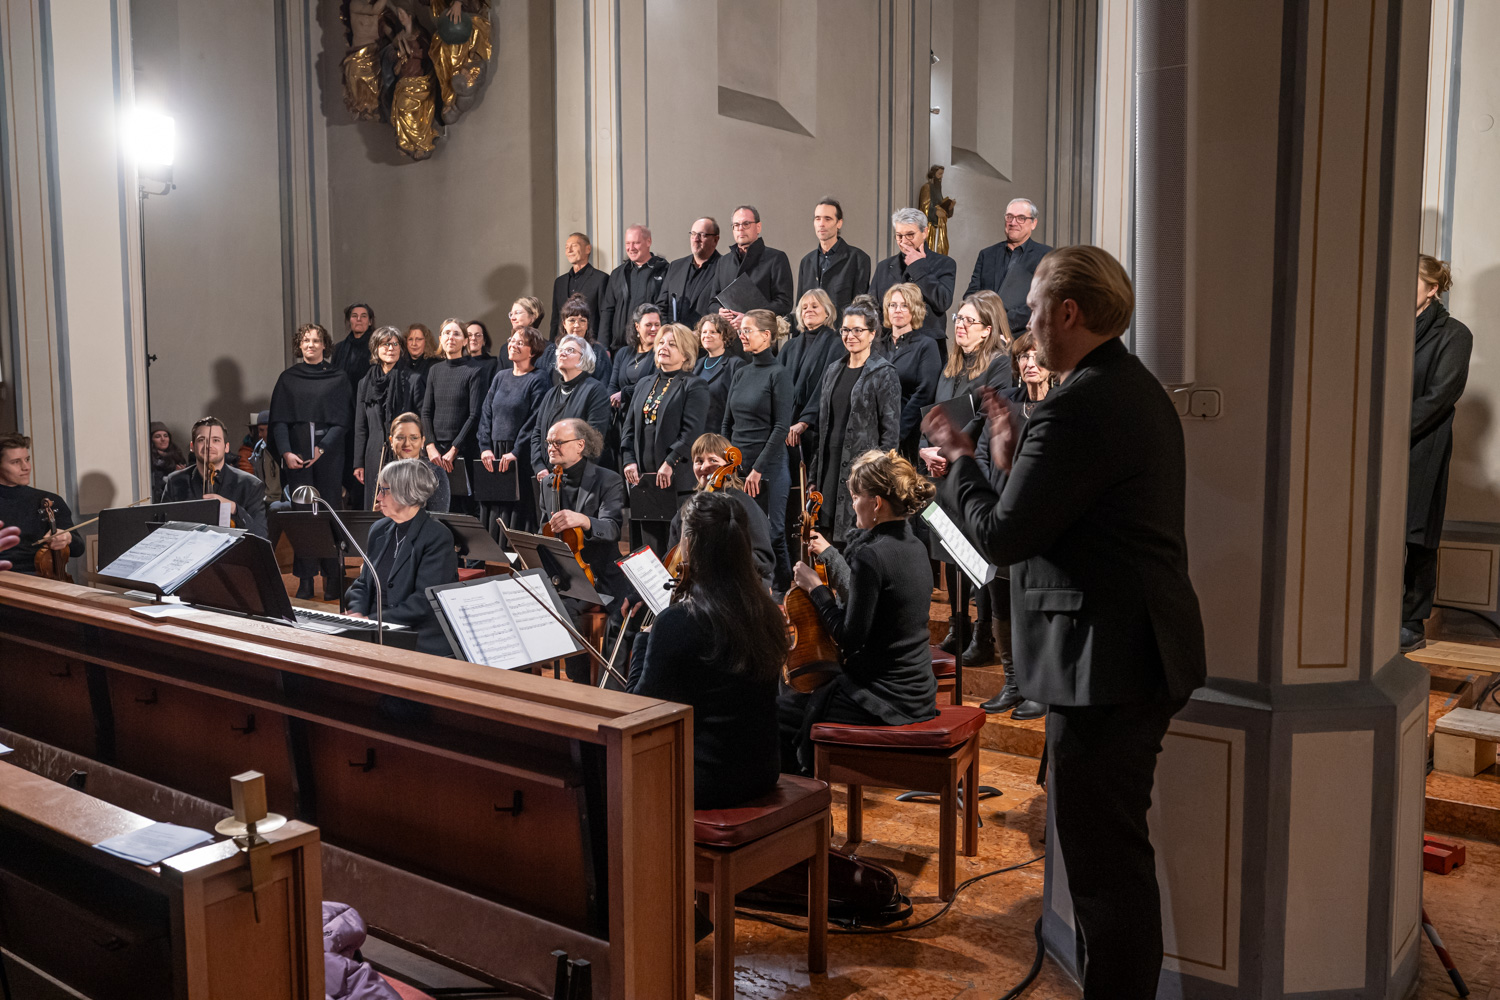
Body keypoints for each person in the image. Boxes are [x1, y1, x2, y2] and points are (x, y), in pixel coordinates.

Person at [923, 245, 1205, 999]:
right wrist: (1013, 454)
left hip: (1109, 662)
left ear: (1069, 313)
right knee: (1107, 859)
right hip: (1128, 651)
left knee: (1107, 870)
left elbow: (1004, 539)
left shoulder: (1080, 406)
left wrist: (958, 460)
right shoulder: (1123, 387)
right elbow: (1064, 515)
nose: (1028, 325)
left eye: (1037, 308)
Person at [779, 449, 939, 774]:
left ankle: (803, 808)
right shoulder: (915, 546)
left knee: (783, 712)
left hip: (887, 699)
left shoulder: (872, 556)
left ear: (876, 503)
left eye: (855, 497)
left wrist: (816, 587)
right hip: (920, 692)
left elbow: (850, 639)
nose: (852, 505)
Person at [623, 489, 784, 809]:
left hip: (708, 782)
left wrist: (644, 638)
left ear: (689, 545)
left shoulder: (680, 620)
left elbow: (639, 712)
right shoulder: (765, 610)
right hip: (763, 771)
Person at [919, 290, 1013, 665]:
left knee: (976, 555)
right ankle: (958, 627)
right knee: (951, 551)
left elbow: (985, 417)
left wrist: (949, 450)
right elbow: (936, 414)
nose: (960, 325)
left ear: (988, 329)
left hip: (973, 468)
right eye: (958, 319)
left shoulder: (999, 364)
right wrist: (927, 449)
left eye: (969, 321)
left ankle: (982, 633)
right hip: (942, 468)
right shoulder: (950, 366)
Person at [969, 332, 1052, 720]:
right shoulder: (1009, 405)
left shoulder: (1059, 406)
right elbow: (983, 452)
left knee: (1033, 608)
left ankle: (1039, 687)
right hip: (1001, 517)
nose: (1029, 363)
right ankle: (1014, 682)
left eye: (1036, 356)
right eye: (1023, 357)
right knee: (1001, 604)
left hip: (1038, 522)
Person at [1404, 254, 1473, 653]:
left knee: (1417, 533)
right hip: (1375, 447)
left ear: (1432, 289)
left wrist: (1387, 431)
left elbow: (1439, 398)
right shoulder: (1384, 329)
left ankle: (1411, 620)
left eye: (1409, 279)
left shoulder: (1454, 335)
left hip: (1421, 444)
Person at [537, 418, 627, 681]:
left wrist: (584, 521)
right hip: (567, 574)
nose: (551, 448)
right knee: (559, 605)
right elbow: (544, 530)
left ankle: (613, 688)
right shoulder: (546, 483)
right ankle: (580, 683)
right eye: (549, 443)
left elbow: (611, 529)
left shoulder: (607, 480)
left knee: (626, 614)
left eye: (558, 442)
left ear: (580, 445)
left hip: (602, 572)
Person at [805, 297, 900, 546]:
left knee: (855, 541)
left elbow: (890, 435)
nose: (850, 335)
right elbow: (821, 426)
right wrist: (814, 475)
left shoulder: (884, 372)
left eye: (858, 330)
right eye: (846, 330)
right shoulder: (833, 370)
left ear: (872, 334)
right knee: (825, 543)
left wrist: (878, 479)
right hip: (829, 468)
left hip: (861, 472)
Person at [270, 322, 354, 598]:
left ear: (324, 345)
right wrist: (285, 453)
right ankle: (305, 580)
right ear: (299, 345)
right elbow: (279, 421)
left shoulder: (338, 377)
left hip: (328, 456)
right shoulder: (288, 378)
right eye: (306, 340)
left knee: (330, 515)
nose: (311, 344)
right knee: (303, 518)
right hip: (296, 455)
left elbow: (343, 421)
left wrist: (324, 447)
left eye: (316, 340)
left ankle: (333, 579)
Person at [344, 458, 459, 656]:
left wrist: (373, 621)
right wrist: (356, 615)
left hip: (416, 636)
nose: (378, 497)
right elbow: (362, 584)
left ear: (405, 492)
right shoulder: (378, 530)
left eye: (384, 490)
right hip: (376, 628)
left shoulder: (437, 536)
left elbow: (424, 602)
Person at [722, 308, 794, 592]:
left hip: (770, 467)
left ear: (766, 335)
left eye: (748, 330)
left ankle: (784, 592)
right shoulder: (741, 371)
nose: (742, 335)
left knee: (774, 534)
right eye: (742, 330)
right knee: (742, 533)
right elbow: (728, 422)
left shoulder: (779, 374)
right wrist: (728, 463)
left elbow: (780, 427)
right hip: (738, 468)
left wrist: (757, 469)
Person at [621, 324, 708, 553]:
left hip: (676, 482)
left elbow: (692, 432)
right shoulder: (644, 383)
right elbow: (628, 428)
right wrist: (628, 460)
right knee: (647, 549)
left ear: (686, 353)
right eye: (661, 343)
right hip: (644, 481)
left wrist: (670, 462)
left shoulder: (694, 385)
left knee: (674, 551)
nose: (663, 347)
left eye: (672, 344)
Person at [667, 433, 776, 591]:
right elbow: (672, 554)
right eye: (699, 461)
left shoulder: (742, 503)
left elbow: (763, 561)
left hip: (736, 588)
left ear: (728, 464)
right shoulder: (689, 506)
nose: (704, 467)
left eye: (713, 460)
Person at [478, 327, 549, 534]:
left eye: (520, 342)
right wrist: (484, 447)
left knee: (518, 513)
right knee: (494, 510)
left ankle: (517, 562)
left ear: (533, 351)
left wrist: (516, 452)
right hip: (494, 454)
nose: (512, 345)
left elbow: (535, 419)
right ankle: (494, 562)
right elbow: (486, 413)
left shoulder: (538, 378)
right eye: (512, 340)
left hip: (519, 455)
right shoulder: (501, 376)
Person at [353, 327, 426, 509]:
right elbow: (361, 425)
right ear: (376, 348)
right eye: (385, 344)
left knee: (402, 504)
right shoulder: (365, 382)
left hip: (403, 453)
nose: (391, 348)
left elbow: (422, 420)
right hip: (374, 456)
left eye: (395, 344)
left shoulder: (413, 379)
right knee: (375, 506)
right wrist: (358, 463)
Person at [419, 318, 488, 512]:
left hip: (460, 450)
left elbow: (474, 414)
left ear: (465, 341)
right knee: (435, 504)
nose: (451, 337)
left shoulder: (474, 370)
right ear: (440, 338)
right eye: (447, 333)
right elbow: (426, 411)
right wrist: (430, 445)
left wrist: (454, 449)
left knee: (460, 507)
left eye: (456, 333)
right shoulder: (434, 370)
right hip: (435, 452)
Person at [161, 417, 268, 537]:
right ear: (192, 446)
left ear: (226, 447)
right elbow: (163, 531)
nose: (208, 446)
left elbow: (261, 535)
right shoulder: (175, 482)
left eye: (216, 440)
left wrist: (235, 509)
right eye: (202, 440)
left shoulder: (250, 485)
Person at [869, 207, 955, 356]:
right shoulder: (884, 267)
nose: (904, 242)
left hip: (928, 348)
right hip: (888, 348)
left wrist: (918, 267)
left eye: (910, 235)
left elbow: (942, 301)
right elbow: (872, 307)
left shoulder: (944, 263)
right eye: (899, 236)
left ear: (925, 232)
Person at [963, 198, 1053, 336]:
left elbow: (1043, 301)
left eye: (1021, 218)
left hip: (1023, 337)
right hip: (985, 337)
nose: (1013, 222)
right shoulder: (987, 254)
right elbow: (972, 294)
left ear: (1033, 223)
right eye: (1009, 217)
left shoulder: (1046, 256)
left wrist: (1002, 324)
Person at [0, 434, 84, 575]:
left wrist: (67, 537)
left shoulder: (49, 500)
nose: (26, 467)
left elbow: (78, 549)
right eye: (15, 462)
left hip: (45, 577)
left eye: (27, 459)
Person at [530, 335, 612, 478]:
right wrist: (539, 467)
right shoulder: (550, 394)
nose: (562, 353)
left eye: (570, 350)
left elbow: (594, 438)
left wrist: (571, 472)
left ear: (583, 358)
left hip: (579, 478)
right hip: (547, 477)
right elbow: (537, 434)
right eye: (561, 350)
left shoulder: (595, 390)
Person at [877, 282, 942, 459]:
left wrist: (897, 432)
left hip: (908, 432)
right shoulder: (877, 346)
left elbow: (925, 392)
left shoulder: (926, 345)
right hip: (876, 431)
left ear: (914, 310)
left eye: (904, 305)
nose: (897, 310)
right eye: (893, 305)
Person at [782, 290, 845, 468]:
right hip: (786, 427)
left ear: (827, 311)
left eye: (815, 306)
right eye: (804, 307)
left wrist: (805, 421)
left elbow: (827, 386)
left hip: (816, 427)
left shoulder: (837, 344)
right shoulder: (789, 346)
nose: (808, 310)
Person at [710, 205, 795, 324]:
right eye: (736, 225)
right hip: (728, 336)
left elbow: (784, 303)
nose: (740, 229)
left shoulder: (776, 258)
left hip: (761, 335)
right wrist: (719, 311)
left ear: (758, 227)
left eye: (746, 224)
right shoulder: (723, 262)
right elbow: (712, 302)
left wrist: (749, 318)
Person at [796, 198, 871, 319]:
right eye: (817, 218)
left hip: (841, 333)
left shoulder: (858, 258)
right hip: (811, 334)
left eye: (828, 219)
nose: (821, 224)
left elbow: (859, 307)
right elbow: (800, 306)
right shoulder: (806, 261)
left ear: (839, 223)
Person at [599, 224, 669, 353]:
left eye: (636, 243)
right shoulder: (617, 274)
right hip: (619, 349)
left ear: (649, 242)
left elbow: (665, 310)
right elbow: (607, 311)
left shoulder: (665, 271)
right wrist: (603, 346)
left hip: (651, 348)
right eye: (628, 243)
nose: (631, 248)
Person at [658, 217, 721, 327]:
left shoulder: (724, 267)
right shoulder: (675, 267)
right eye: (693, 234)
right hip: (676, 340)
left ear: (715, 240)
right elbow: (661, 306)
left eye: (702, 235)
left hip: (705, 340)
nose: (696, 239)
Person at [607, 303, 663, 424]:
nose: (654, 329)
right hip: (621, 417)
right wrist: (613, 399)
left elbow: (653, 384)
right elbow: (612, 385)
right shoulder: (623, 353)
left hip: (644, 418)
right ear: (637, 326)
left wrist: (624, 394)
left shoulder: (661, 354)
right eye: (648, 325)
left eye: (657, 325)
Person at [386, 412, 451, 513]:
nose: (407, 443)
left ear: (422, 441)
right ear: (391, 441)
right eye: (400, 437)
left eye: (414, 438)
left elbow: (438, 519)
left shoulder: (435, 474)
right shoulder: (385, 474)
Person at [550, 232, 607, 342]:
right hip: (563, 345)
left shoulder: (601, 279)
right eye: (566, 247)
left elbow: (604, 317)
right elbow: (555, 320)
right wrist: (552, 346)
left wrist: (602, 345)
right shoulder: (559, 282)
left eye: (574, 246)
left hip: (590, 344)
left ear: (587, 249)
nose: (569, 250)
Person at [692, 314, 743, 434]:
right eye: (704, 332)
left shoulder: (736, 365)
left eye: (713, 332)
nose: (707, 336)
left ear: (724, 336)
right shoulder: (695, 365)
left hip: (721, 434)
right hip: (697, 434)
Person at [552, 292, 612, 387]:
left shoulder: (599, 352)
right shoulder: (553, 351)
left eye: (582, 320)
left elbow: (604, 385)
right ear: (564, 324)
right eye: (572, 320)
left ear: (587, 325)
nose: (577, 325)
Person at [331, 302, 377, 391]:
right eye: (354, 316)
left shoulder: (378, 347)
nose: (359, 319)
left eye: (363, 316)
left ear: (370, 321)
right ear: (349, 320)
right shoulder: (339, 349)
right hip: (344, 401)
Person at [918, 165, 956, 256]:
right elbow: (924, 206)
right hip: (929, 226)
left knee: (938, 252)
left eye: (942, 174)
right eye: (939, 174)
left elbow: (940, 205)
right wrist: (935, 212)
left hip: (937, 225)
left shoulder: (938, 189)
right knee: (928, 251)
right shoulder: (926, 188)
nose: (941, 177)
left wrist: (950, 207)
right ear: (933, 174)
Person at [150, 421, 187, 502]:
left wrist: (182, 474)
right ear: (151, 440)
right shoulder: (149, 460)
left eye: (165, 436)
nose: (163, 439)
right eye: (157, 436)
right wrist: (172, 477)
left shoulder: (177, 456)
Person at [465, 319, 501, 387]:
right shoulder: (459, 364)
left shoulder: (493, 364)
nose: (473, 338)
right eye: (469, 335)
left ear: (484, 341)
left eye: (478, 335)